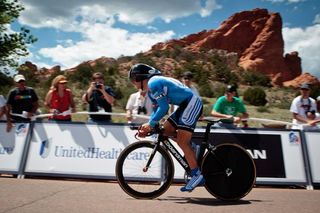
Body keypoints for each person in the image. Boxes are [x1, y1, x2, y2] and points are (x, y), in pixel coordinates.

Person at [128, 63, 204, 192]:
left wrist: (150, 124)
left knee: (181, 140)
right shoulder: (152, 91)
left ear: (141, 78)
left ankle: (197, 174)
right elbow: (157, 109)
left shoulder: (153, 83)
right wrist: (149, 126)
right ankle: (192, 147)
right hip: (184, 105)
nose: (133, 84)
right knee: (166, 131)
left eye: (133, 80)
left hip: (192, 103)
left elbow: (164, 108)